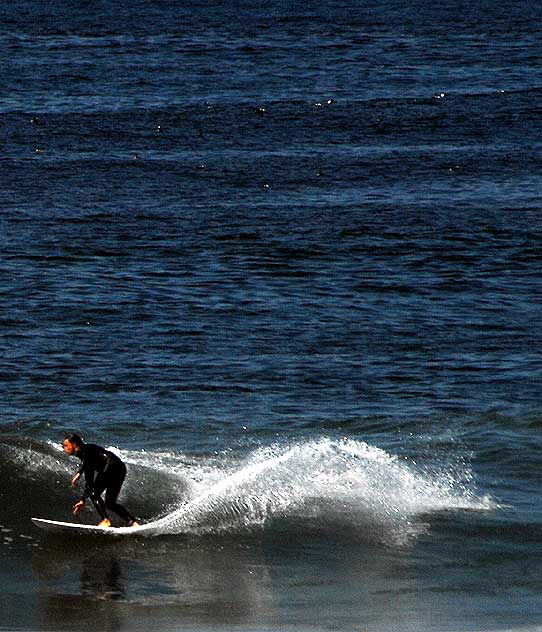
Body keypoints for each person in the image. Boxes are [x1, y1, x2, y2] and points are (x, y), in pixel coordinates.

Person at [63, 433, 139, 527]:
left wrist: (83, 499)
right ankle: (133, 523)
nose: (64, 448)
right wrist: (80, 473)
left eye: (66, 445)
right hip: (120, 468)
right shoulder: (87, 450)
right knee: (110, 503)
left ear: (74, 445)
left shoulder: (85, 452)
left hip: (110, 467)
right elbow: (86, 462)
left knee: (94, 492)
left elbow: (89, 480)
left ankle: (105, 520)